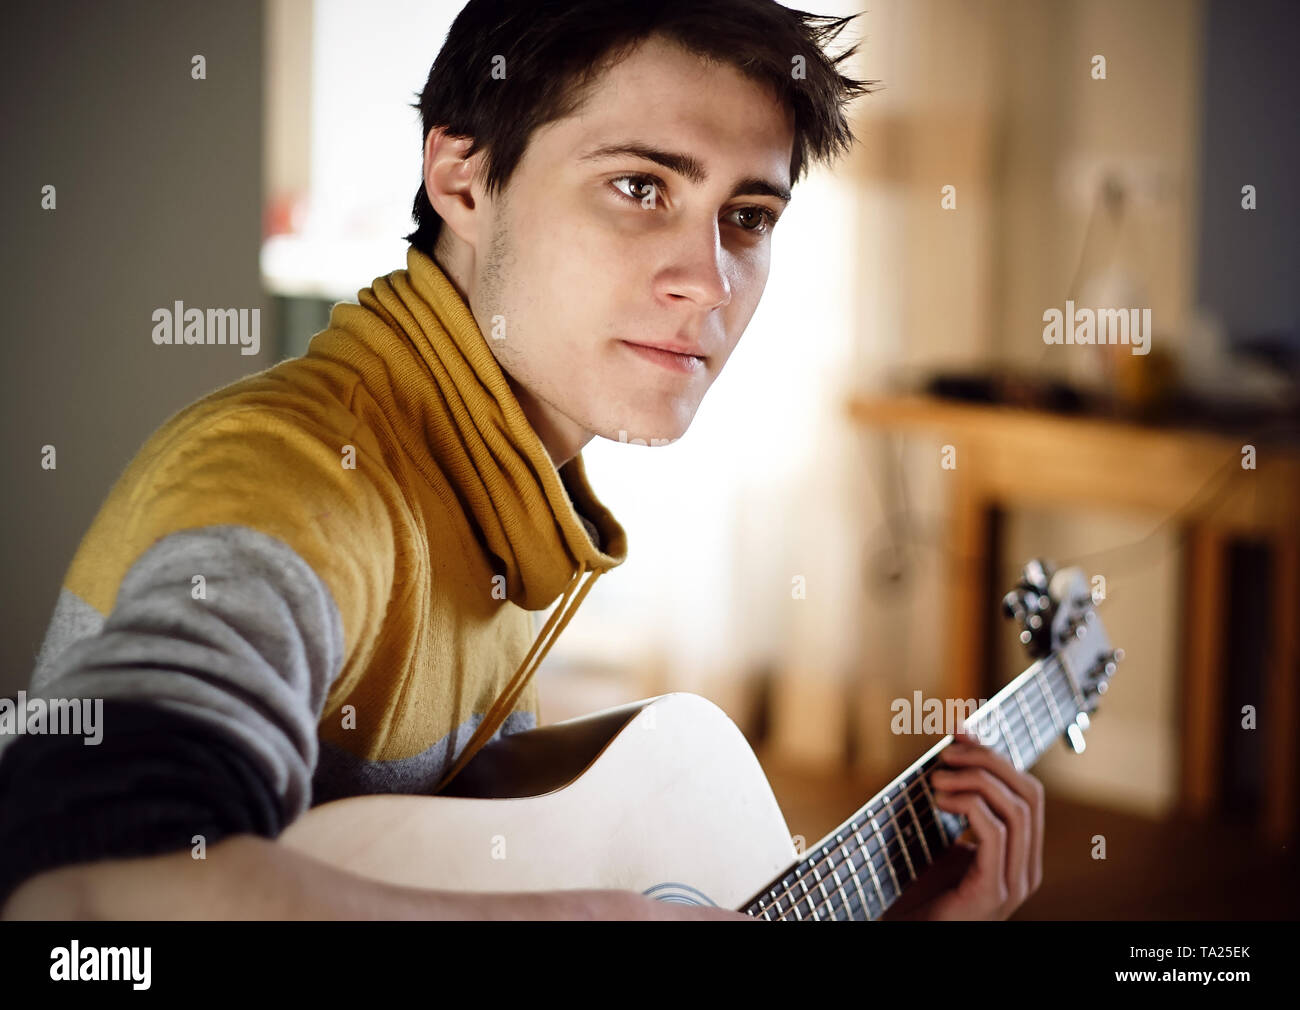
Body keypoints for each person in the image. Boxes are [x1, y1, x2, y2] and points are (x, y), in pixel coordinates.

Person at [0, 0, 1042, 921]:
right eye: (639, 186)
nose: (710, 280)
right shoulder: (297, 480)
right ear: (461, 175)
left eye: (748, 217)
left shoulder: (504, 486)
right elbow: (81, 896)